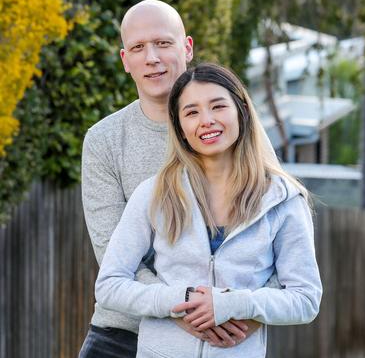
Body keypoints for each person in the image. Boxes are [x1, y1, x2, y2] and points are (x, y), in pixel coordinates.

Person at [94, 63, 322, 357]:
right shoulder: (154, 194)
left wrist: (235, 304)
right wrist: (181, 301)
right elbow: (110, 285)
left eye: (218, 106)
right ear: (180, 128)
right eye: (192, 112)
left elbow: (305, 299)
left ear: (241, 110)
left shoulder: (282, 199)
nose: (207, 120)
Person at [79, 0, 262, 357]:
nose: (152, 58)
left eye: (163, 43)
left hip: (222, 335)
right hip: (121, 334)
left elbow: (270, 236)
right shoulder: (103, 141)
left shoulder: (234, 129)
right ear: (124, 60)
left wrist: (246, 312)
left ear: (187, 47)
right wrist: (184, 307)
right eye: (138, 48)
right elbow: (111, 253)